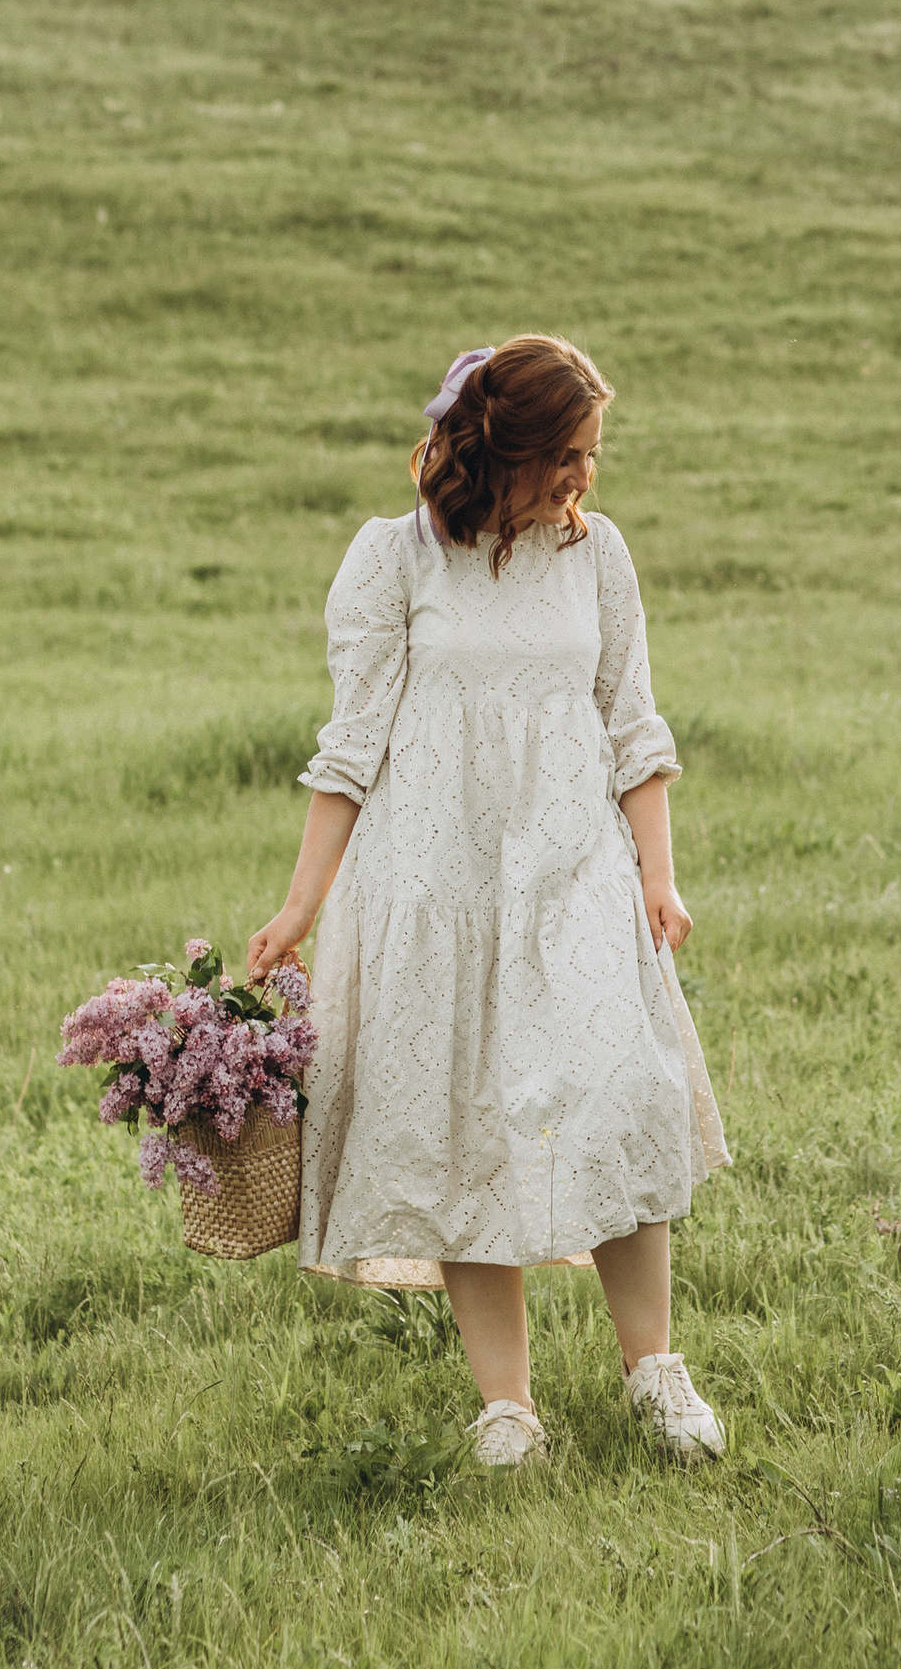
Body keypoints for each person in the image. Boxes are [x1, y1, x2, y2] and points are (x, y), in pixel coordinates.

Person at [247, 334, 729, 1471]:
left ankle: (651, 1369)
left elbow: (632, 724)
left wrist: (658, 875)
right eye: (566, 452)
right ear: (501, 445)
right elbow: (350, 746)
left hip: (574, 869)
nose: (583, 475)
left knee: (616, 1093)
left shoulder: (596, 555)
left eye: (591, 453)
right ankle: (506, 1404)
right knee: (462, 1120)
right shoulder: (395, 560)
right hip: (433, 881)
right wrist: (299, 904)